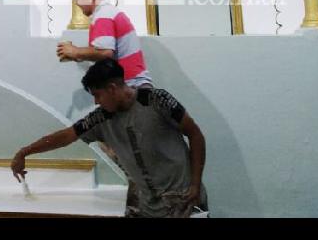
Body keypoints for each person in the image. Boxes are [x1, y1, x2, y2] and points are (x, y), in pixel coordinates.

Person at [11, 58, 207, 218]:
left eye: (97, 95)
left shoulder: (156, 100)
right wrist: (25, 151)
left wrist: (195, 184)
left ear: (112, 88)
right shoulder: (101, 119)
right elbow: (66, 136)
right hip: (149, 208)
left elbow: (195, 135)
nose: (96, 102)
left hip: (183, 202)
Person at [57, 0, 153, 88]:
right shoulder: (107, 12)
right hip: (132, 86)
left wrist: (75, 51)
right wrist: (79, 55)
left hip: (131, 87)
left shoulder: (103, 15)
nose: (76, 2)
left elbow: (105, 53)